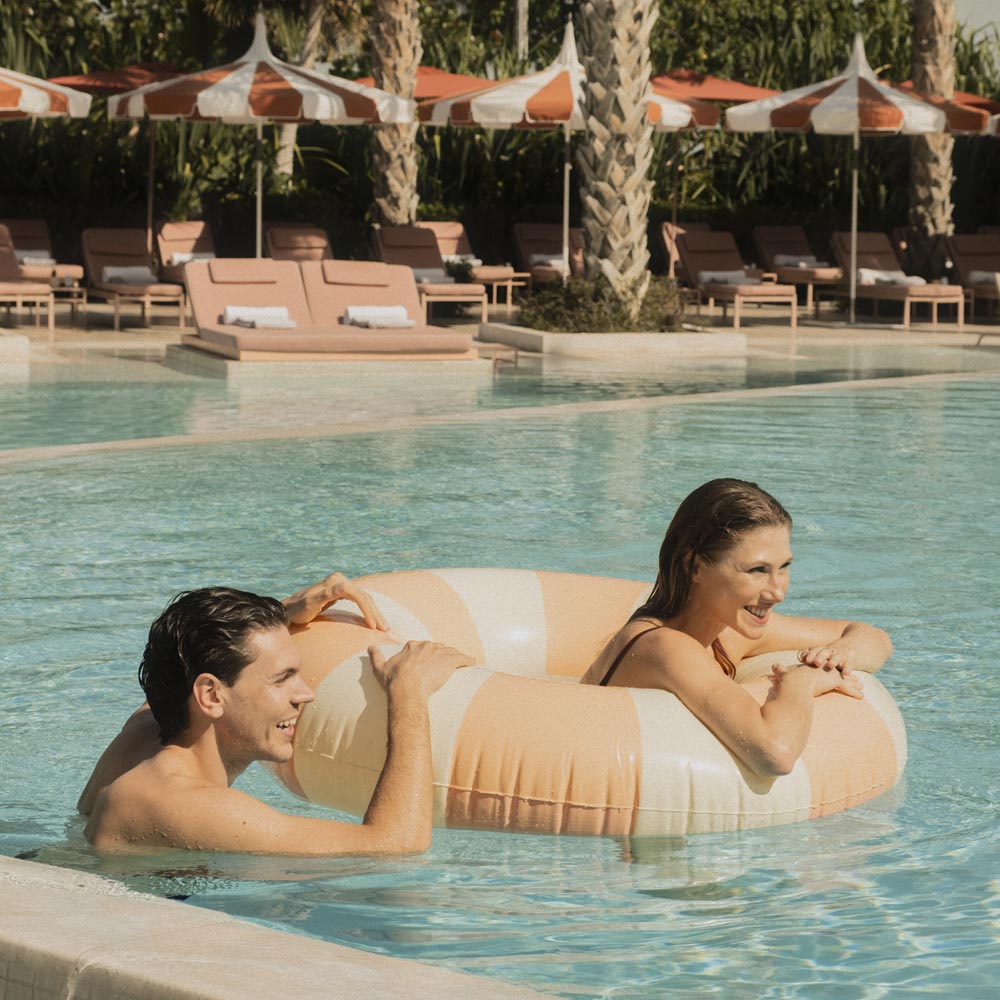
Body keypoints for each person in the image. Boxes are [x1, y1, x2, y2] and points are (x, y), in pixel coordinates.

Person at [78, 572, 473, 855]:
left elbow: (183, 668)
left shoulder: (145, 733)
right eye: (282, 679)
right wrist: (409, 695)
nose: (306, 694)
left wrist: (282, 613)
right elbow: (397, 844)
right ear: (211, 696)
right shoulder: (192, 808)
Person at [580, 479, 893, 777]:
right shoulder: (664, 646)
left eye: (783, 567)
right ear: (695, 566)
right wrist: (803, 681)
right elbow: (776, 754)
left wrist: (837, 656)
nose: (778, 592)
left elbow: (872, 637)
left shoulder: (725, 633)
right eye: (757, 570)